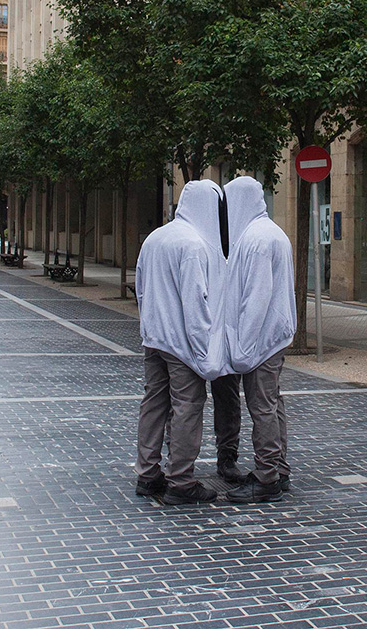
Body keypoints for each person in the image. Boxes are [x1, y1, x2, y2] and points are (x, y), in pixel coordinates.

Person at [134, 179, 228, 505]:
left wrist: (149, 326)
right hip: (181, 344)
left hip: (154, 338)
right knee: (188, 406)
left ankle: (147, 474)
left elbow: (141, 287)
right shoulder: (193, 246)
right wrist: (205, 354)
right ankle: (181, 480)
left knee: (154, 403)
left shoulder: (156, 238)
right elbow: (196, 305)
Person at [222, 176, 297, 503]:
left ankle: (266, 475)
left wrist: (244, 347)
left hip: (261, 340)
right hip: (273, 337)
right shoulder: (272, 232)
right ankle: (278, 468)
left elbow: (256, 297)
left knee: (262, 405)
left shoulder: (254, 239)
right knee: (273, 401)